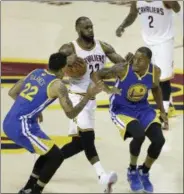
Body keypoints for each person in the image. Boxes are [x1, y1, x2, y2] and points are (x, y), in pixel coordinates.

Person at [3, 52, 103, 194]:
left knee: (48, 152)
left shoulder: (36, 72)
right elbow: (71, 114)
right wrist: (88, 96)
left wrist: (34, 109)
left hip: (10, 120)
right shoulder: (58, 86)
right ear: (63, 69)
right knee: (56, 157)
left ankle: (28, 188)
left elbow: (13, 92)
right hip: (22, 126)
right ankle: (36, 191)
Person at [58, 16, 127, 192]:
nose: (90, 30)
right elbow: (54, 67)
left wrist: (128, 63)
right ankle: (102, 176)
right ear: (78, 30)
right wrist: (67, 63)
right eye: (86, 28)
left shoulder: (103, 46)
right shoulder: (69, 48)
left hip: (91, 99)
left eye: (91, 27)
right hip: (76, 97)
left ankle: (46, 161)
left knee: (79, 144)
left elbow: (121, 65)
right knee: (89, 138)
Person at [96, 47, 167, 193]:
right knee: (139, 135)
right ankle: (132, 171)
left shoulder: (155, 71)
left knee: (159, 140)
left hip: (143, 108)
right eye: (135, 57)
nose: (135, 61)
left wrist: (162, 111)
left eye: (140, 59)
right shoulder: (123, 69)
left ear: (148, 61)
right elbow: (96, 75)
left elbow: (156, 89)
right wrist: (108, 90)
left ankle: (144, 171)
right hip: (121, 109)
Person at [116, 1, 183, 118]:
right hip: (147, 41)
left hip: (164, 41)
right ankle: (170, 105)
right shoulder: (137, 1)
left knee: (163, 78)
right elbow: (132, 14)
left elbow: (179, 10)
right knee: (153, 76)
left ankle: (164, 112)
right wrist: (122, 25)